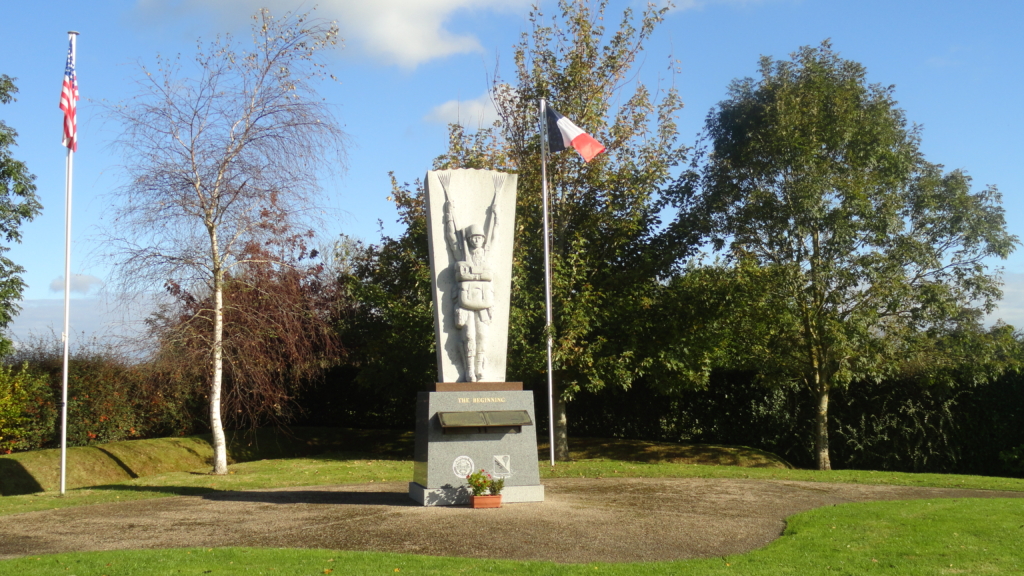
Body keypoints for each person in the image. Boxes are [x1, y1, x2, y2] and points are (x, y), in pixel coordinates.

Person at [442, 182, 500, 382]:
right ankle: (469, 370)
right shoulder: (461, 253)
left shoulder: (486, 254)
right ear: (468, 239)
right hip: (465, 303)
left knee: (483, 336)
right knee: (469, 336)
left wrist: (496, 214)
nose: (477, 241)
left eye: (479, 238)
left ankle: (480, 365)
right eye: (473, 238)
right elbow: (451, 237)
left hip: (483, 303)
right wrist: (449, 214)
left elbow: (494, 235)